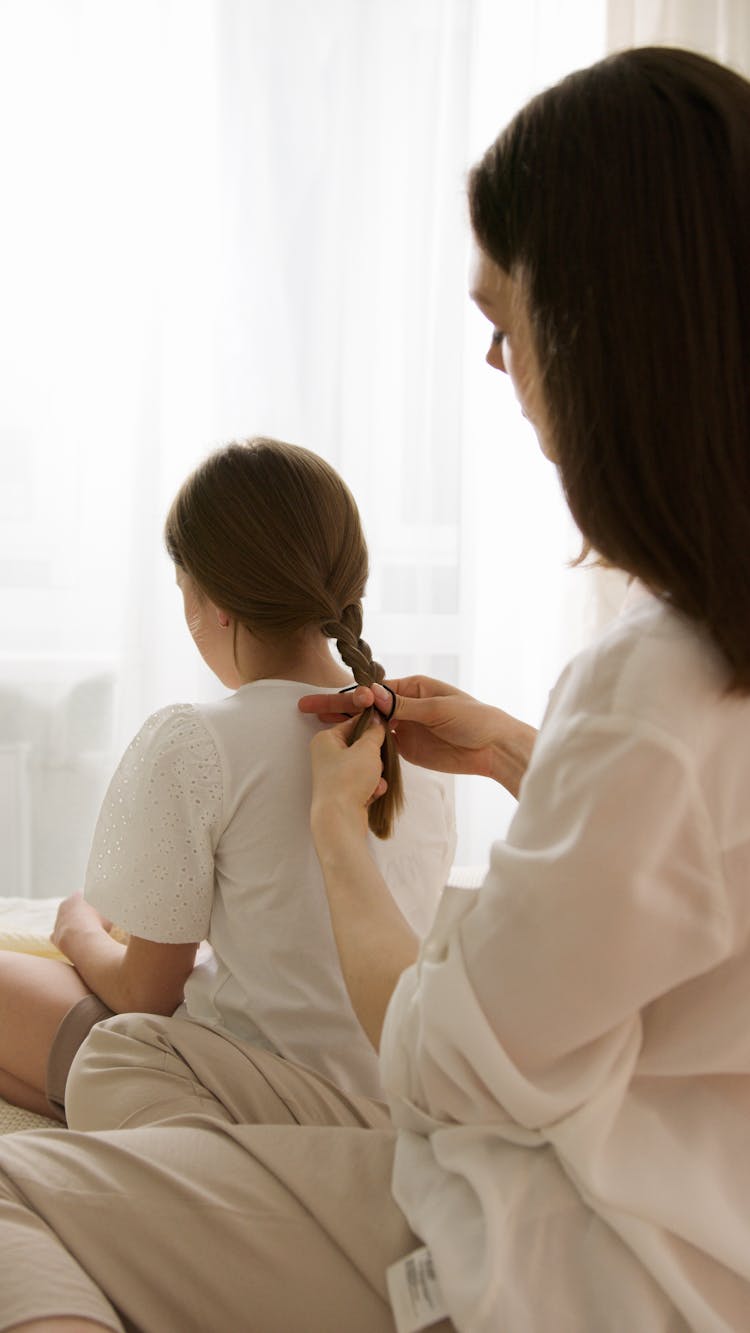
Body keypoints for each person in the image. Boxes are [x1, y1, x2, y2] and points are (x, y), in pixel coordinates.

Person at [1, 42, 749, 1333]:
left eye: (501, 329)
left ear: (602, 339)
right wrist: (524, 750)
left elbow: (444, 1066)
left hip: (555, 1266)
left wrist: (334, 830)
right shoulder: (685, 678)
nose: (493, 373)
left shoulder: (653, 682)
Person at [0, 438, 454, 1121]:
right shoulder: (420, 741)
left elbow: (144, 994)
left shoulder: (197, 738)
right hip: (382, 1096)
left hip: (250, 1094)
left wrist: (75, 928)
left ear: (212, 601)